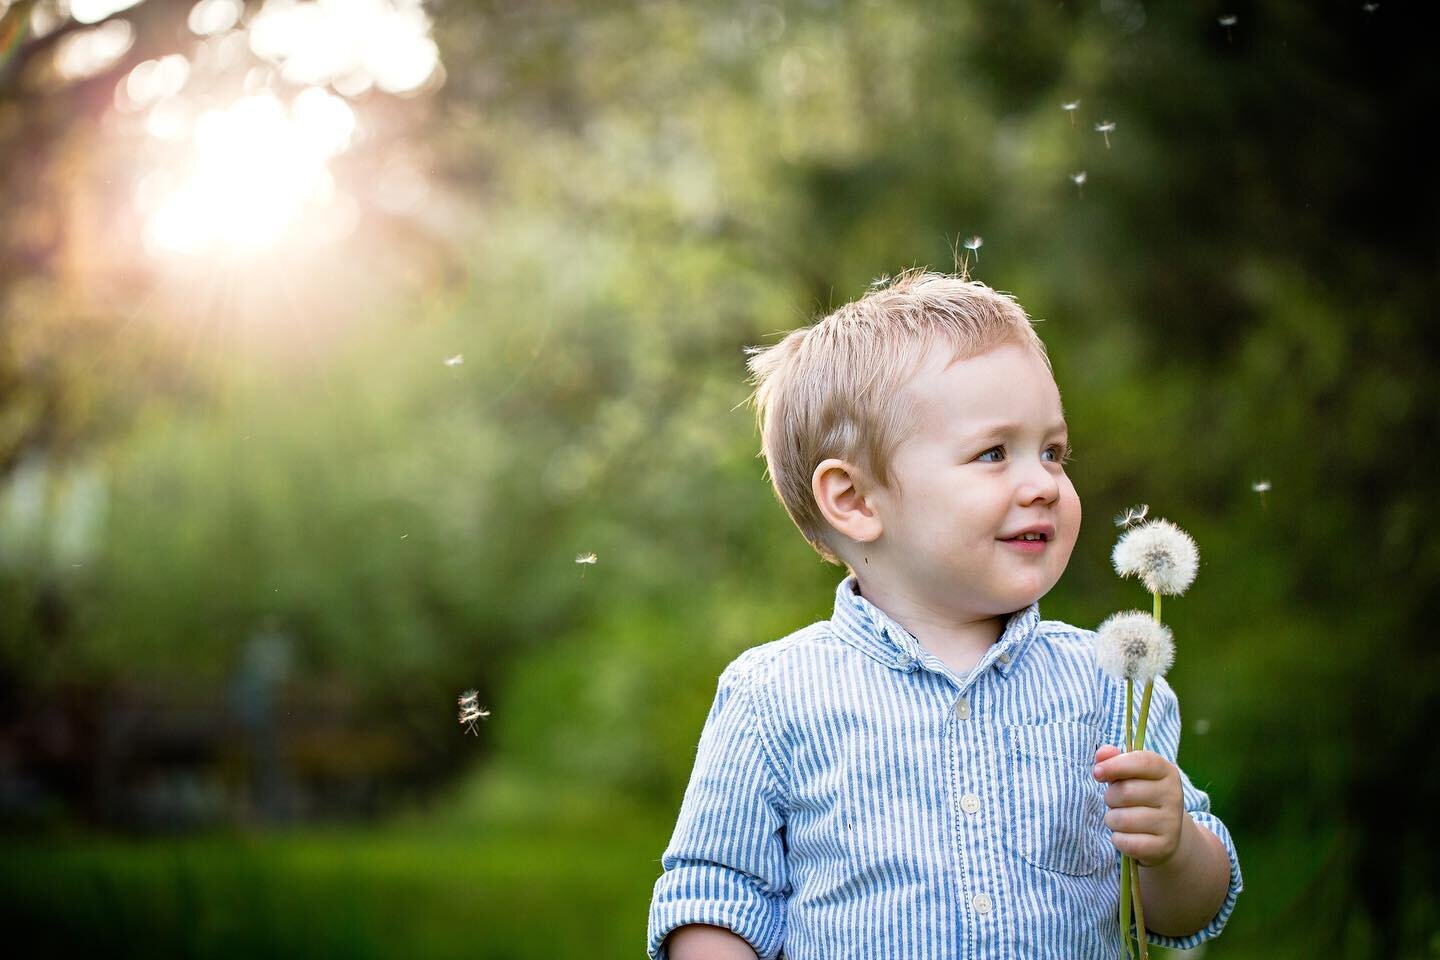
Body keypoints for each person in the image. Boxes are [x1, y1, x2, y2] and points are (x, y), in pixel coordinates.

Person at [646, 270, 1242, 959]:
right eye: (994, 453)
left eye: (1053, 452)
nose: (1043, 484)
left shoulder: (1111, 681)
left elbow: (1176, 916)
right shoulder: (773, 698)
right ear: (855, 501)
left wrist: (1171, 849)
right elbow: (716, 897)